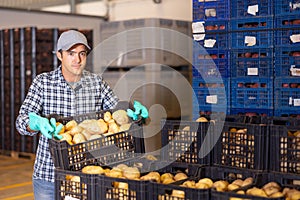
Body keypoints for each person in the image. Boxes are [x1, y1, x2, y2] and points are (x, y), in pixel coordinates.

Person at [15, 30, 119, 199]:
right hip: (49, 175)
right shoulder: (43, 82)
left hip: (84, 174)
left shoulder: (96, 83)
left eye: (82, 53)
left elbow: (117, 113)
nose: (77, 60)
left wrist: (131, 112)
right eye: (71, 53)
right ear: (59, 55)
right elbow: (21, 121)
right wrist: (35, 123)